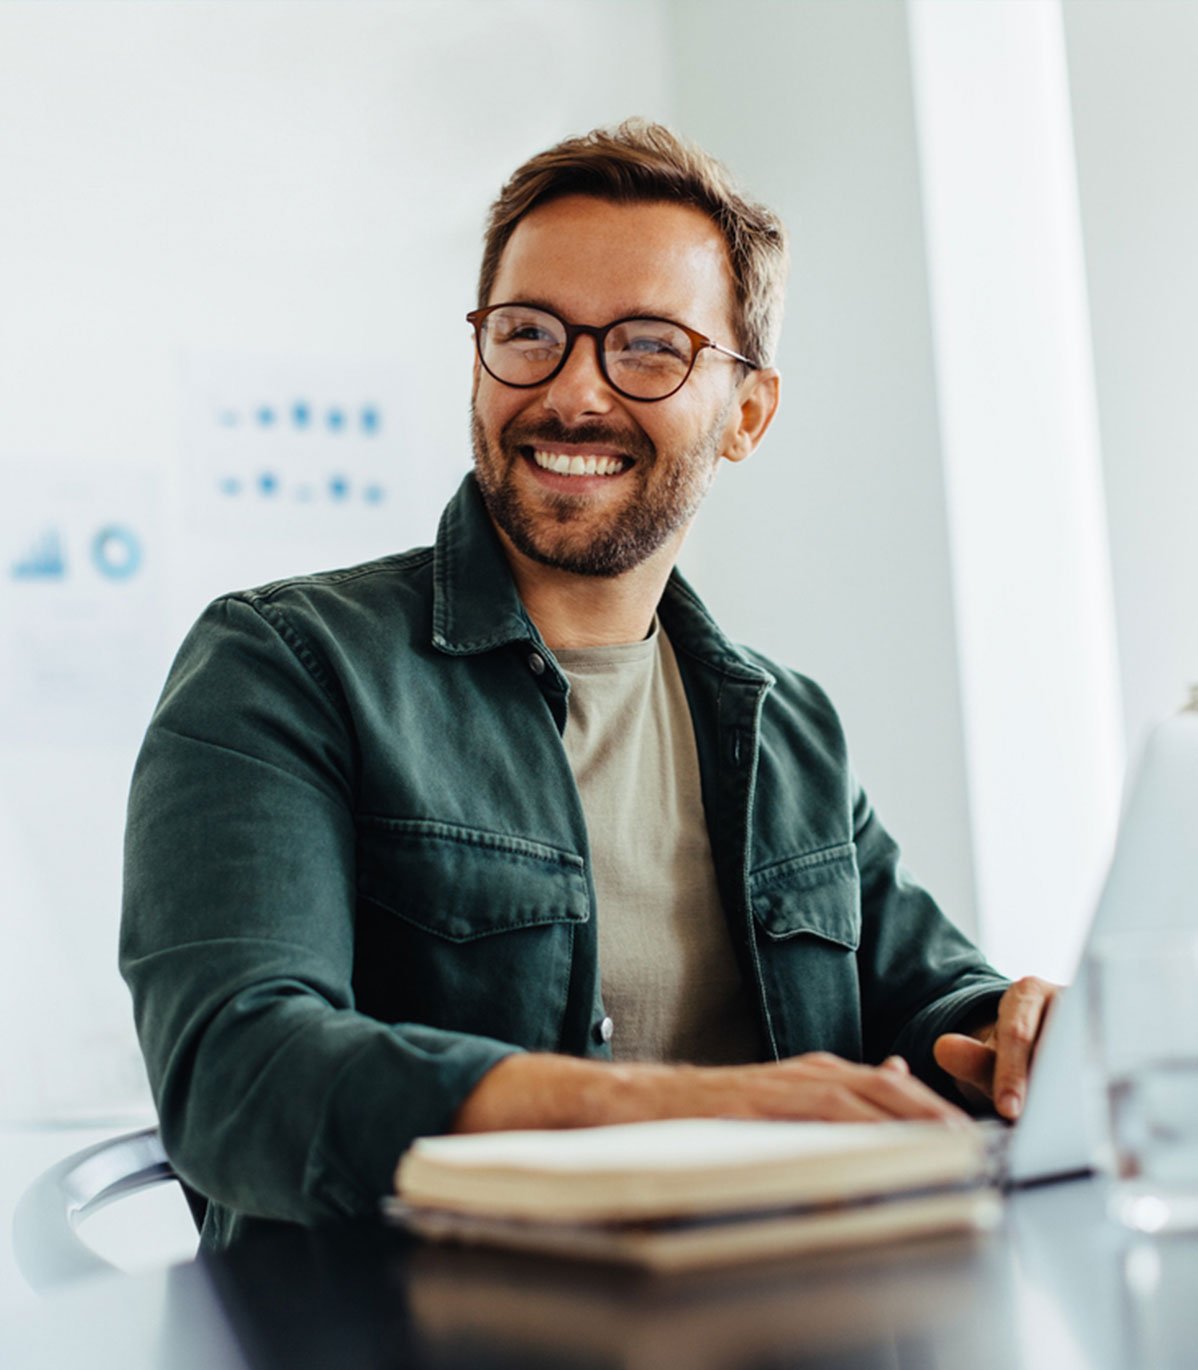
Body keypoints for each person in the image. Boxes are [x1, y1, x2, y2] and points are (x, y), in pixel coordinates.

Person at [120, 120, 1056, 1250]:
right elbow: (239, 1075)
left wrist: (1015, 1029)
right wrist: (676, 1107)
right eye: (528, 333)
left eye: (650, 347)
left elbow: (930, 999)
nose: (572, 391)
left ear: (746, 413)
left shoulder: (785, 724)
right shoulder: (285, 663)